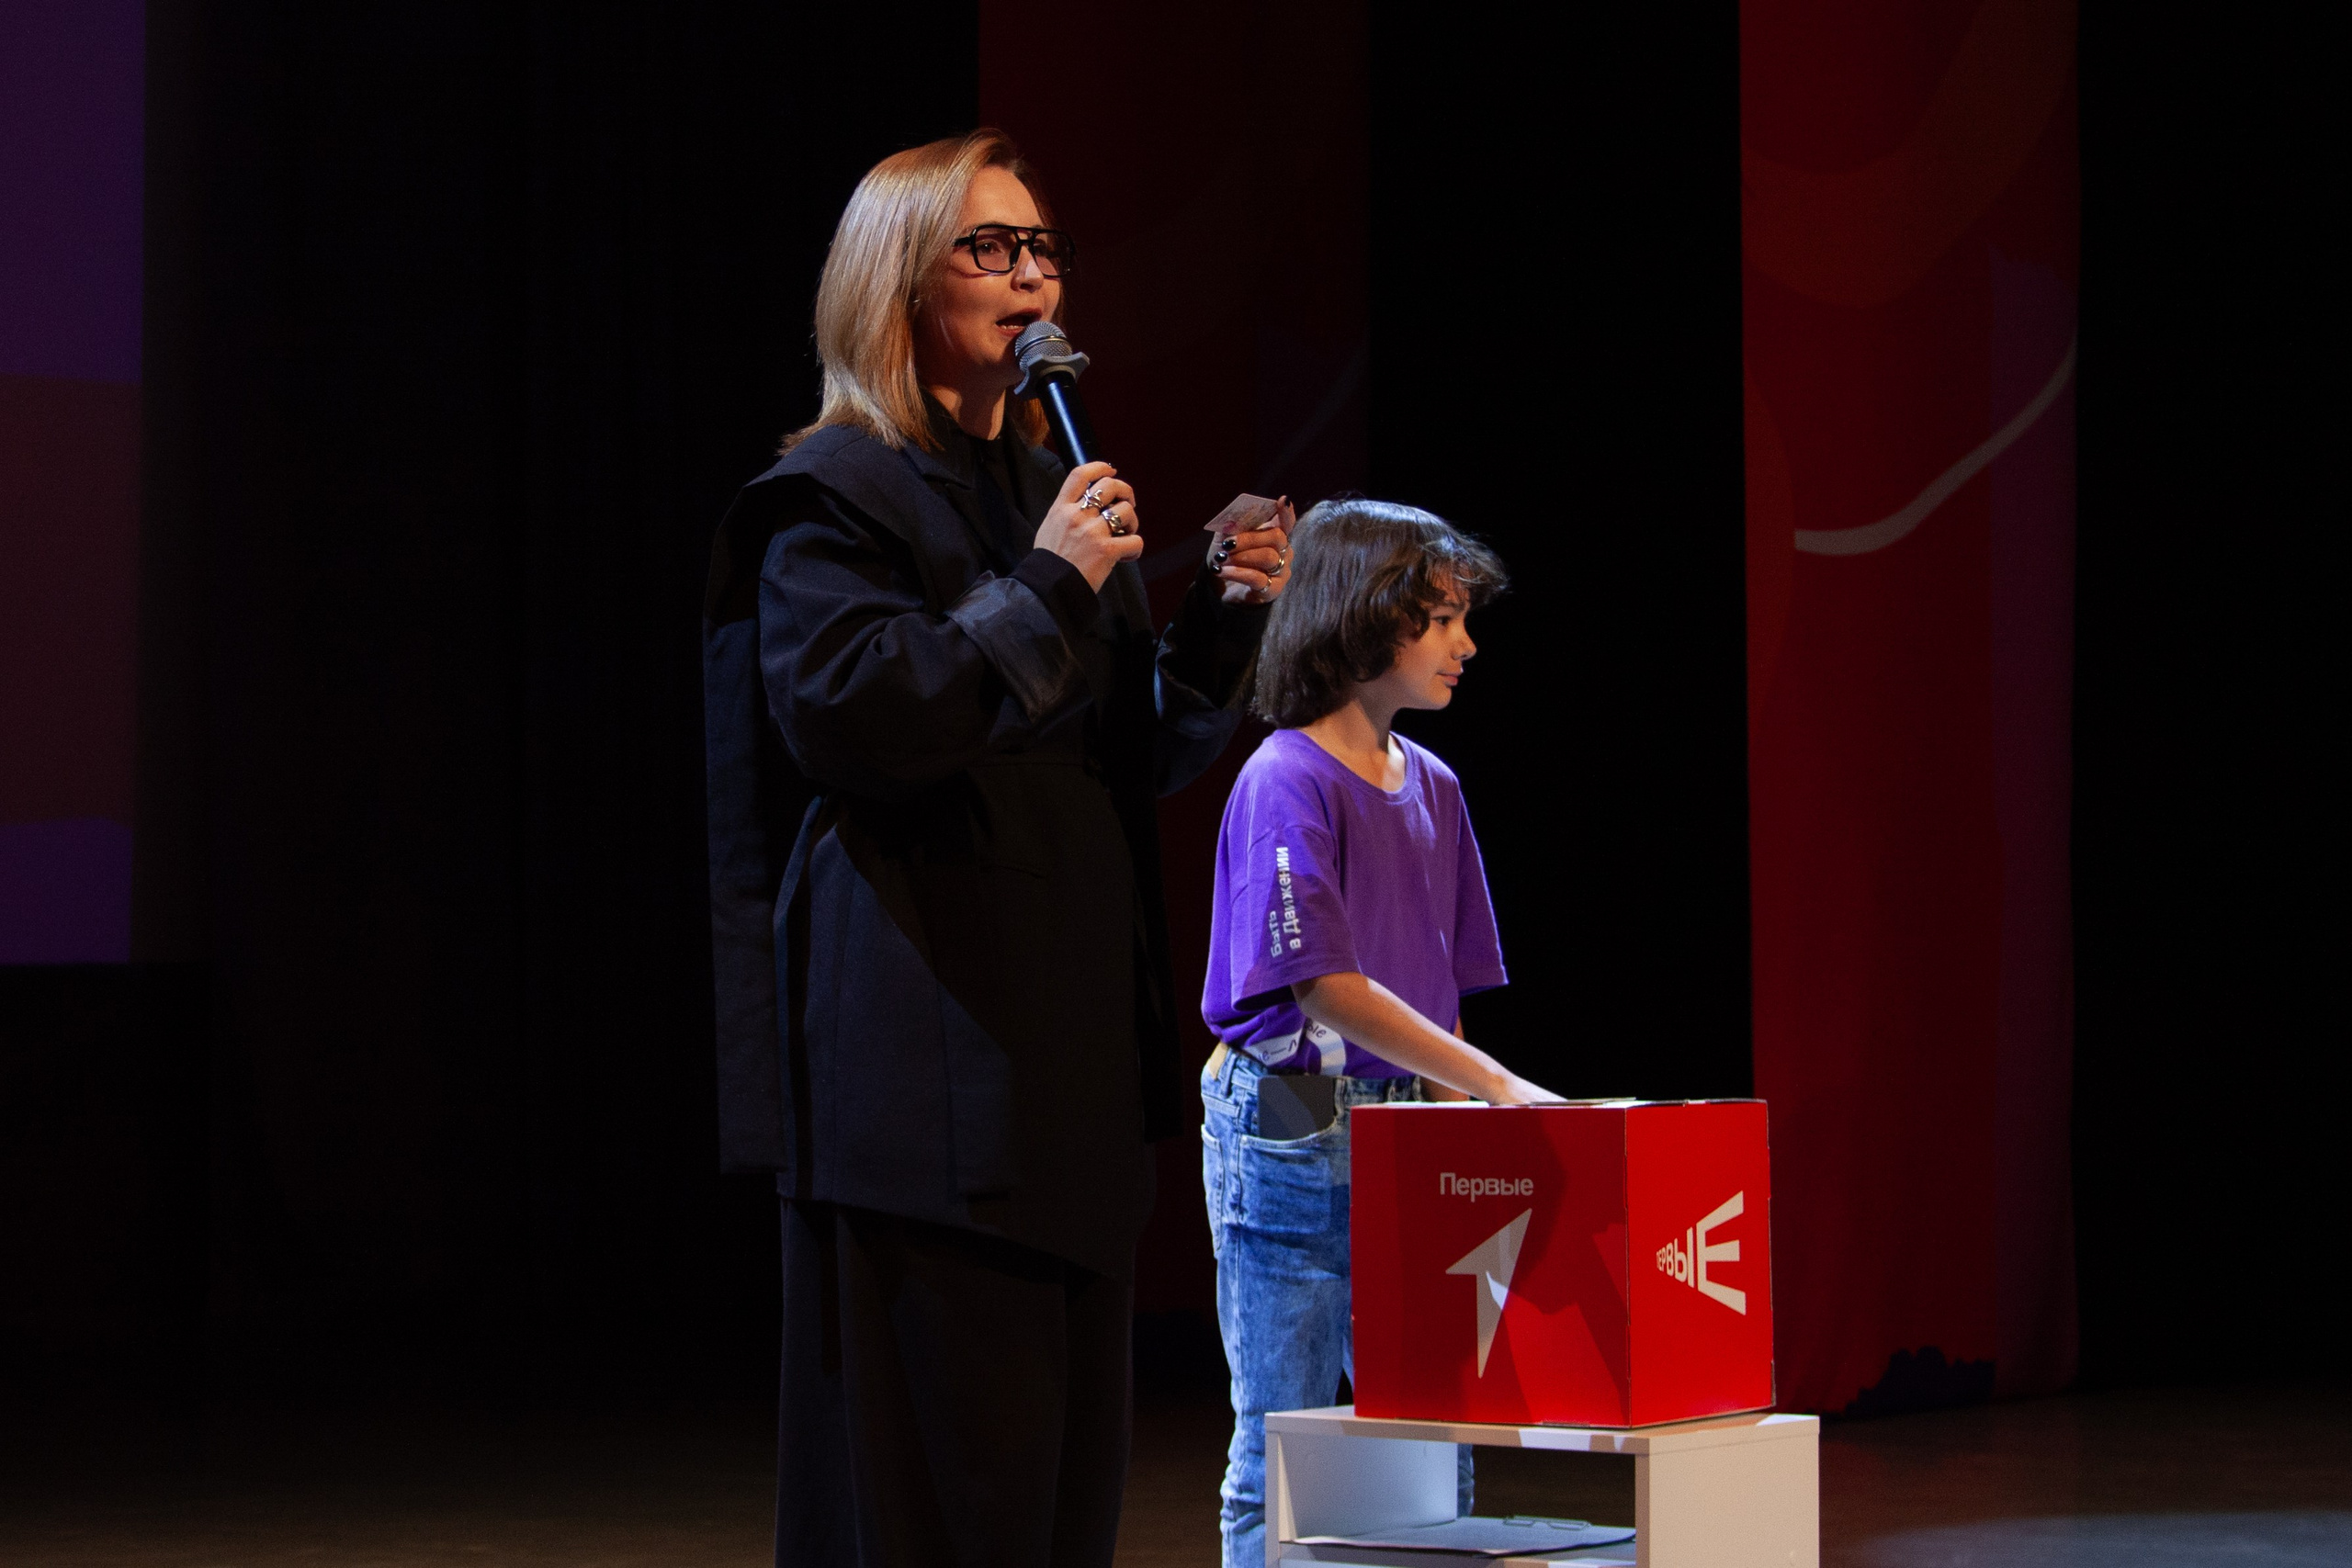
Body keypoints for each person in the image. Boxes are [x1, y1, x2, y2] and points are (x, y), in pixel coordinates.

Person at [699, 130, 1294, 1566]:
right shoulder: (830, 497)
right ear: (899, 280)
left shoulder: (1049, 494)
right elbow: (860, 717)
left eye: (1043, 248)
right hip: (925, 1075)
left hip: (1062, 1068)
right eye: (991, 247)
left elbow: (1123, 755)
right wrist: (1045, 584)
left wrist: (1221, 615)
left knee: (1055, 1494)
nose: (1032, 277)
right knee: (944, 1496)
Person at [1198, 499, 1562, 1566]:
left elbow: (1438, 993)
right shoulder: (1285, 778)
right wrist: (1498, 1085)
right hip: (1291, 1128)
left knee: (1433, 1443)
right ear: (1361, 617)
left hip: (1405, 1132)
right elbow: (1325, 986)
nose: (1465, 643)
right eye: (1440, 619)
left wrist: (1461, 1128)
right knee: (1284, 1444)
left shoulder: (1434, 788)